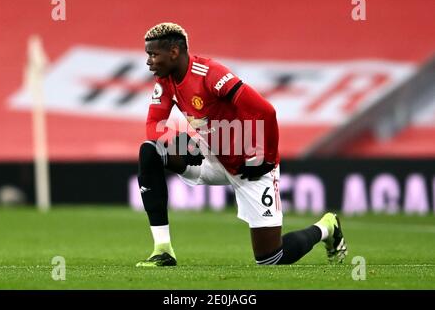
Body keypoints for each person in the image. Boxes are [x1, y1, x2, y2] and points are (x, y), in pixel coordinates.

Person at [136, 22, 347, 267]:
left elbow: (265, 111)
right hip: (212, 155)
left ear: (173, 52)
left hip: (250, 164)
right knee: (151, 150)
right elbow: (153, 123)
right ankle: (163, 249)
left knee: (271, 258)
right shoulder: (165, 81)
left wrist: (266, 159)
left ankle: (326, 227)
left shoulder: (210, 74)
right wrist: (174, 140)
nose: (149, 62)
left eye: (153, 54)